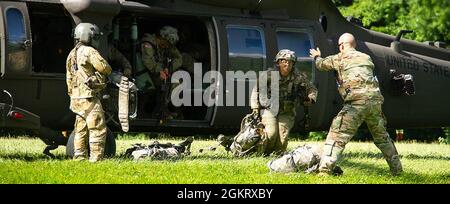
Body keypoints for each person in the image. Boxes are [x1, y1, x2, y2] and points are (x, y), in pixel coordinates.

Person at [309, 33, 403, 176]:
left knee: (337, 134)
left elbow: (321, 65)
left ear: (341, 46)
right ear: (354, 45)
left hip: (356, 103)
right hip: (375, 103)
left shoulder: (339, 57)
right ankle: (397, 171)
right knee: (382, 137)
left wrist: (317, 56)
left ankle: (324, 171)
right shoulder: (366, 57)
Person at [251, 49, 318, 155]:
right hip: (269, 110)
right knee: (271, 133)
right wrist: (255, 108)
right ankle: (263, 153)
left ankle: (278, 156)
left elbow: (312, 89)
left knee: (282, 138)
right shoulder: (268, 75)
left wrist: (310, 98)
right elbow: (256, 89)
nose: (287, 63)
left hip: (287, 111)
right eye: (284, 61)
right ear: (278, 62)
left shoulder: (298, 77)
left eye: (290, 61)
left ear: (293, 64)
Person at [66, 23, 112, 162]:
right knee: (97, 127)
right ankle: (96, 159)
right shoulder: (89, 51)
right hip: (89, 97)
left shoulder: (71, 54)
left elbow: (68, 78)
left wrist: (73, 94)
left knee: (80, 129)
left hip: (76, 97)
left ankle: (79, 157)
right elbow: (104, 67)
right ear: (89, 36)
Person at [140, 26, 183, 120]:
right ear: (162, 38)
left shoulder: (166, 45)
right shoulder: (148, 44)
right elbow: (148, 61)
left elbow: (179, 58)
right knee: (173, 82)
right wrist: (160, 70)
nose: (167, 46)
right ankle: (162, 110)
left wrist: (169, 68)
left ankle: (165, 108)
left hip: (161, 72)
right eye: (166, 43)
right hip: (148, 74)